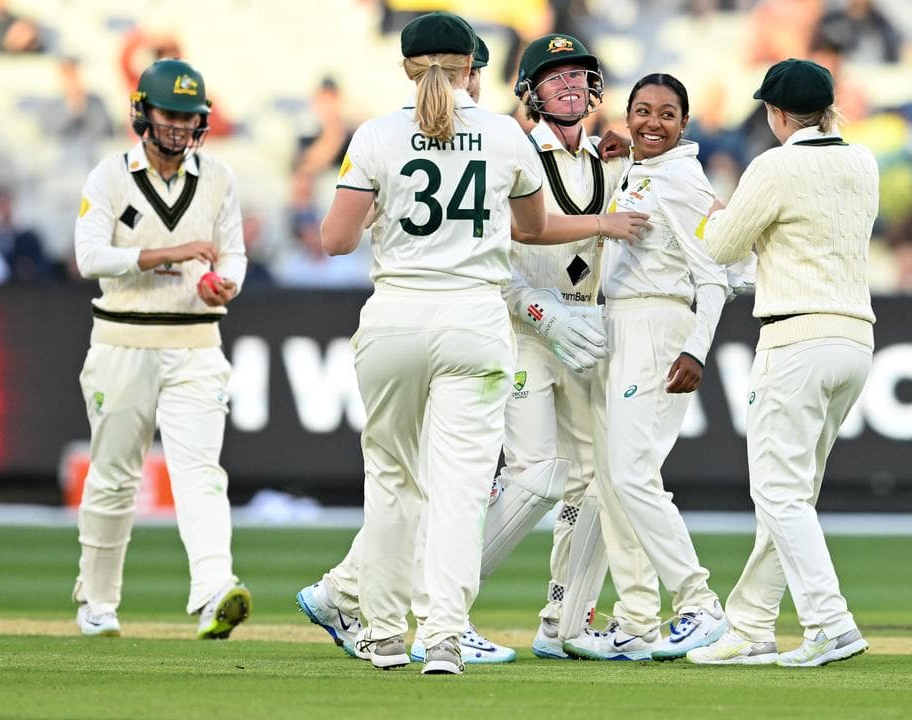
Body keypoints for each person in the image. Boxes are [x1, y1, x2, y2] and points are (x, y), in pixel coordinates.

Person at [317, 12, 554, 676]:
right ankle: (444, 636)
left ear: (407, 70)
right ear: (472, 69)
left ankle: (386, 634)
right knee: (459, 491)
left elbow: (334, 241)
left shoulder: (376, 134)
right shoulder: (506, 135)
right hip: (474, 320)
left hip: (394, 316)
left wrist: (380, 204)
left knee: (393, 483)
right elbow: (531, 227)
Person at [693, 58, 875, 668]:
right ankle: (750, 625)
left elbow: (721, 248)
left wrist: (711, 213)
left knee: (778, 493)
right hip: (854, 338)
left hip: (796, 338)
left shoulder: (774, 165)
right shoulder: (863, 161)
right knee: (791, 494)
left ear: (775, 114)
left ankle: (830, 621)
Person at [563, 73, 745, 662]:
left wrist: (696, 347)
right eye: (642, 111)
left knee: (632, 473)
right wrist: (618, 150)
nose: (652, 124)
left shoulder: (684, 181)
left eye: (667, 115)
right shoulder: (643, 171)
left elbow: (715, 273)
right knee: (617, 480)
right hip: (618, 325)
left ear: (685, 125)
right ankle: (638, 620)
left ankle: (698, 603)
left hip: (656, 327)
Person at [71, 58, 251, 641]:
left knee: (200, 473)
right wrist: (166, 254)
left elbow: (234, 255)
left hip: (197, 342)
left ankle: (214, 592)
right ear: (143, 115)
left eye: (188, 118)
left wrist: (228, 282)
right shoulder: (108, 176)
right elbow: (89, 257)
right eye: (169, 115)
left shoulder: (219, 176)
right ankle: (97, 602)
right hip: (122, 339)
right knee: (115, 478)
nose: (178, 127)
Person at [503, 33, 661, 661]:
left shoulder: (609, 159)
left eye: (578, 75)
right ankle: (445, 614)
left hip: (589, 331)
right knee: (535, 478)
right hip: (520, 330)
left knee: (597, 480)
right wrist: (537, 312)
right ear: (530, 93)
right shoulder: (509, 152)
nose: (569, 84)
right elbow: (502, 246)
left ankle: (565, 622)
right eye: (554, 76)